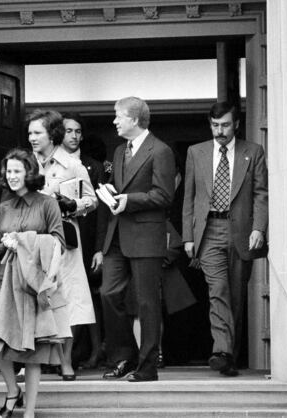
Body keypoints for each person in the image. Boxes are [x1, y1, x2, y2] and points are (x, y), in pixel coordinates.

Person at [182, 101, 268, 377]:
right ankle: (221, 351)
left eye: (225, 125)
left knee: (235, 295)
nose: (219, 131)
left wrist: (259, 228)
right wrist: (187, 236)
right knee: (217, 291)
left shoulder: (252, 152)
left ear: (237, 124)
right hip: (209, 232)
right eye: (215, 125)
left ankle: (230, 355)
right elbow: (189, 197)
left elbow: (261, 194)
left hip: (242, 231)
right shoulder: (196, 152)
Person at [99, 96, 175, 382]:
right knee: (108, 293)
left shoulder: (161, 150)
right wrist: (111, 192)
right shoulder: (119, 151)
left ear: (134, 119)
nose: (114, 121)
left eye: (118, 116)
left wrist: (128, 199)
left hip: (145, 233)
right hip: (117, 233)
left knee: (146, 303)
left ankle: (147, 366)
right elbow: (122, 187)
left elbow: (164, 195)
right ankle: (124, 356)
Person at [0, 148, 71, 418]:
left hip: (35, 283)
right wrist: (5, 243)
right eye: (8, 172)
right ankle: (13, 392)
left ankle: (30, 412)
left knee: (33, 350)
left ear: (29, 173)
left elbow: (59, 242)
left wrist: (26, 240)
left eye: (17, 171)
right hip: (6, 283)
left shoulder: (47, 204)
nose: (11, 176)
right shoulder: (3, 207)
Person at [28, 109, 97, 380]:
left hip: (65, 239)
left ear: (51, 134)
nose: (32, 138)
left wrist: (73, 204)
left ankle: (65, 360)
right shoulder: (24, 163)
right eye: (30, 133)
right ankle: (33, 361)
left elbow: (92, 200)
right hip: (32, 240)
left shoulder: (72, 165)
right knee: (33, 300)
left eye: (37, 133)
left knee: (68, 300)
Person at [61, 113, 106, 369]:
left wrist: (99, 248)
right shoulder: (49, 164)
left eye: (78, 131)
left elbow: (101, 212)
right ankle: (62, 356)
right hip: (61, 243)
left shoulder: (93, 166)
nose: (74, 136)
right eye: (69, 131)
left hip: (86, 242)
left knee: (86, 300)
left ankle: (88, 352)